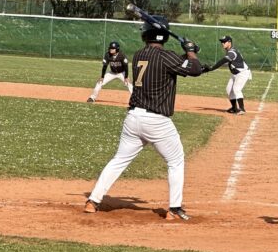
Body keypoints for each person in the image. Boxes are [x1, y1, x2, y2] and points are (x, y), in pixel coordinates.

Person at [84, 16, 203, 220]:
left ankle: (93, 200)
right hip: (157, 121)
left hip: (133, 118)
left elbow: (175, 63)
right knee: (176, 161)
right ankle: (174, 208)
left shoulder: (139, 54)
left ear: (146, 34)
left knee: (119, 160)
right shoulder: (166, 56)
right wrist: (190, 50)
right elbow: (195, 69)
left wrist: (188, 53)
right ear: (164, 35)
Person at [202, 35, 251, 114]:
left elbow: (223, 61)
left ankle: (242, 109)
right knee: (229, 89)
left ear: (229, 42)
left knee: (236, 89)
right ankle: (234, 108)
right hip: (235, 73)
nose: (222, 43)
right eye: (222, 42)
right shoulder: (229, 51)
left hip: (242, 73)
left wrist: (211, 68)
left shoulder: (232, 52)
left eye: (224, 42)